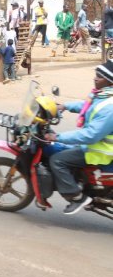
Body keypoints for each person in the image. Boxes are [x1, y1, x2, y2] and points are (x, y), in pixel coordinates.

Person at [44, 61, 113, 214]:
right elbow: (87, 106)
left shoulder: (110, 107)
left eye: (100, 77)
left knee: (57, 160)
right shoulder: (102, 95)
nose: (95, 79)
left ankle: (76, 197)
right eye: (96, 75)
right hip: (95, 145)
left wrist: (57, 137)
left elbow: (90, 135)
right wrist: (64, 106)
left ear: (110, 81)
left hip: (99, 150)